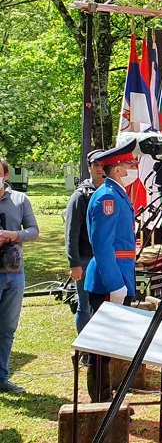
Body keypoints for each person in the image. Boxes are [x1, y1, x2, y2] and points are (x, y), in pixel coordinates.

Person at [84, 140, 139, 401]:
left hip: (119, 272)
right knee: (101, 345)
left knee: (108, 343)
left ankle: (104, 395)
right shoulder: (108, 196)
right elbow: (102, 245)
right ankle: (100, 399)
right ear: (118, 169)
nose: (133, 168)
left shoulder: (115, 194)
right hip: (110, 277)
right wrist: (116, 283)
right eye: (131, 164)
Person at [0, 157, 39, 394]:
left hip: (14, 274)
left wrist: (13, 235)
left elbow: (34, 231)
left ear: (5, 174)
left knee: (7, 329)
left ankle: (2, 377)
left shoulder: (19, 200)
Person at [65, 149, 105, 338]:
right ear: (89, 168)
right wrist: (74, 263)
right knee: (85, 306)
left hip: (104, 259)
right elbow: (71, 232)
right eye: (96, 165)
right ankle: (85, 351)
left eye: (103, 165)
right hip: (85, 259)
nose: (100, 169)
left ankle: (98, 350)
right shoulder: (80, 195)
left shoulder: (110, 192)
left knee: (101, 306)